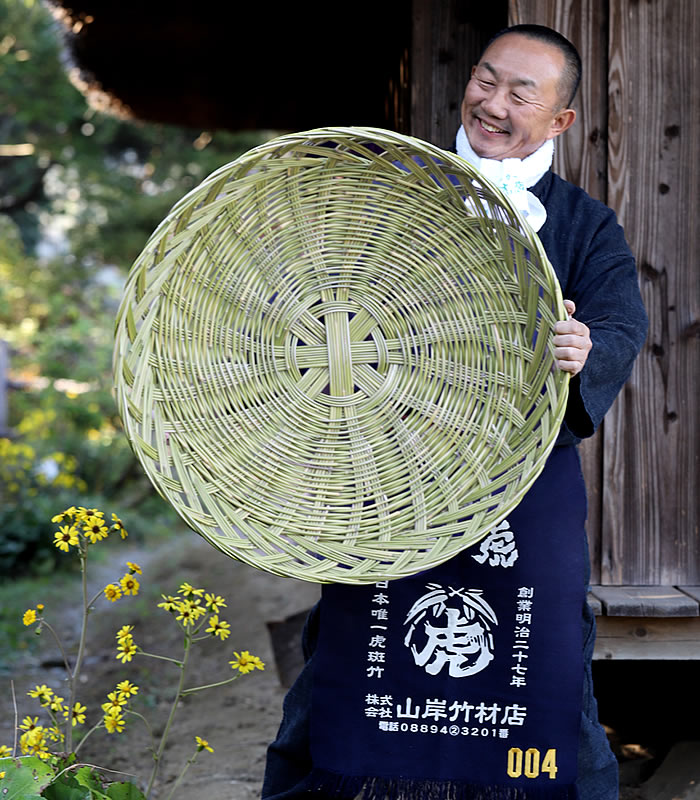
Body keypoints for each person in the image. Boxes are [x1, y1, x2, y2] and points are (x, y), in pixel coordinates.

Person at [261, 24, 648, 800]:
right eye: (484, 78)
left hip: (523, 482)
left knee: (544, 666)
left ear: (561, 122)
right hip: (390, 475)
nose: (491, 102)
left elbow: (619, 326)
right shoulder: (397, 189)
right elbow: (317, 294)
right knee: (347, 657)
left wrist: (583, 347)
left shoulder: (584, 225)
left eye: (519, 93)